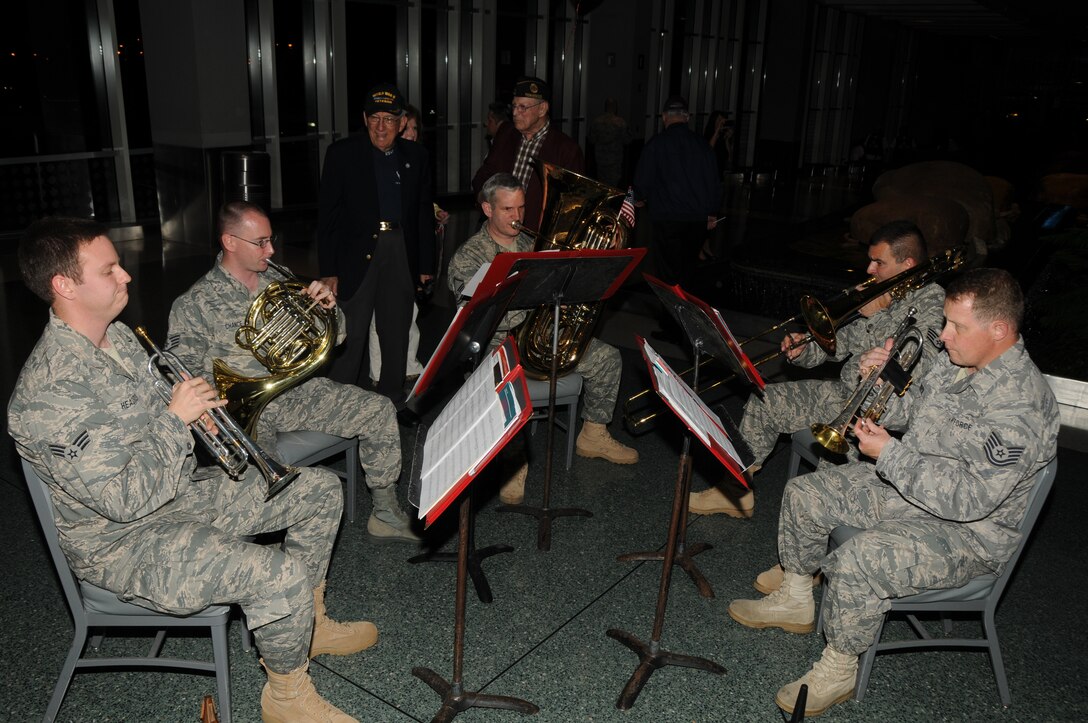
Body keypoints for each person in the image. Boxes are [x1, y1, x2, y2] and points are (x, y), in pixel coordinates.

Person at [8, 217, 378, 722]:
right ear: (64, 285)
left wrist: (201, 409)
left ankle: (307, 627)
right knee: (276, 573)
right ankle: (286, 698)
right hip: (122, 544)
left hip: (176, 494)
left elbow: (166, 422)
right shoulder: (46, 393)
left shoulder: (118, 337)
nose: (126, 277)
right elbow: (122, 501)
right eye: (110, 269)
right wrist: (174, 419)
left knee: (316, 491)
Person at [727, 268, 1059, 717]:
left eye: (956, 326)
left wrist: (889, 455)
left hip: (968, 534)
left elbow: (971, 501)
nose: (943, 335)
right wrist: (876, 388)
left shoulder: (1022, 404)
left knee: (860, 559)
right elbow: (914, 413)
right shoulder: (959, 361)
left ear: (998, 329)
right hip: (913, 490)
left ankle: (838, 668)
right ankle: (796, 597)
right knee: (806, 493)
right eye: (945, 322)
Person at [168, 201, 419, 543]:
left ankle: (385, 512)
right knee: (255, 478)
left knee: (378, 409)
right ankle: (250, 553)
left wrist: (330, 310)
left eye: (271, 240)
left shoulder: (278, 279)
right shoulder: (194, 303)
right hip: (239, 411)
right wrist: (215, 409)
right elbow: (181, 372)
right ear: (230, 242)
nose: (271, 250)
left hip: (296, 392)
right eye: (261, 242)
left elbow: (336, 338)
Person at [688, 221, 946, 524]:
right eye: (870, 259)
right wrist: (804, 349)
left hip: (878, 414)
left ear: (908, 265)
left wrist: (878, 317)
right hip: (842, 393)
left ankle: (813, 562)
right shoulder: (878, 290)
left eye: (879, 262)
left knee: (832, 465)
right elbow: (838, 343)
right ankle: (737, 492)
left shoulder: (933, 302)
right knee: (765, 398)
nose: (869, 268)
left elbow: (913, 366)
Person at [447, 173, 638, 503]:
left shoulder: (534, 244)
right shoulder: (469, 257)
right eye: (507, 209)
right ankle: (512, 462)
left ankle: (593, 433)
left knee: (608, 357)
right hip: (497, 344)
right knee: (508, 387)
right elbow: (474, 319)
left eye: (521, 207)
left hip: (539, 337)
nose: (517, 217)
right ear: (487, 209)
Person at [317, 83, 436, 405]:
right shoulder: (342, 154)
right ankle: (339, 403)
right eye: (374, 118)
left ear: (401, 122)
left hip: (400, 251)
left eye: (388, 119)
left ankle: (390, 400)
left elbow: (423, 212)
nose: (381, 126)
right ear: (364, 119)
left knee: (395, 332)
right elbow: (327, 216)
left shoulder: (417, 156)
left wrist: (425, 265)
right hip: (355, 254)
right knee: (349, 334)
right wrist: (328, 270)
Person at [471, 77, 584, 232]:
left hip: (534, 236)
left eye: (523, 107)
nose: (515, 113)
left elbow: (572, 205)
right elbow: (484, 175)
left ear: (542, 109)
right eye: (514, 106)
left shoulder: (566, 150)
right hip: (496, 230)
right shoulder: (506, 134)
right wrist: (485, 202)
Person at [631, 95, 720, 287]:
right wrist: (712, 213)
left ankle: (670, 313)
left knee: (668, 273)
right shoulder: (703, 146)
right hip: (696, 220)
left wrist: (637, 198)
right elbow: (713, 181)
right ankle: (685, 311)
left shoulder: (656, 145)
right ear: (687, 117)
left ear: (664, 117)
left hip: (667, 220)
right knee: (688, 270)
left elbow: (642, 180)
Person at [588, 97, 628, 188]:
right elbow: (627, 140)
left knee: (602, 186)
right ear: (615, 107)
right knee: (613, 187)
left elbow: (591, 139)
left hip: (600, 161)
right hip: (614, 162)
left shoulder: (596, 122)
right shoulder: (620, 122)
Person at [703, 110, 734, 179]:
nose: (721, 122)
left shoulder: (722, 135)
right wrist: (717, 130)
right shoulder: (709, 135)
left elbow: (729, 159)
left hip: (720, 174)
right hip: (709, 174)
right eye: (719, 120)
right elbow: (709, 149)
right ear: (714, 120)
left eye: (722, 120)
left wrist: (727, 140)